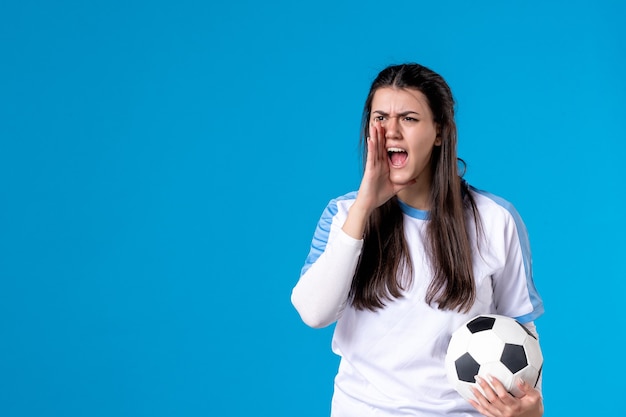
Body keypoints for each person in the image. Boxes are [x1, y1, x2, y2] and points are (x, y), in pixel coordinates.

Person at [291, 63, 544, 417]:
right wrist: (365, 205)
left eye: (408, 118)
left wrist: (528, 411)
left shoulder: (495, 219)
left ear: (439, 132)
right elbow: (313, 312)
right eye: (380, 117)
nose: (391, 131)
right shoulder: (344, 213)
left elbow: (520, 338)